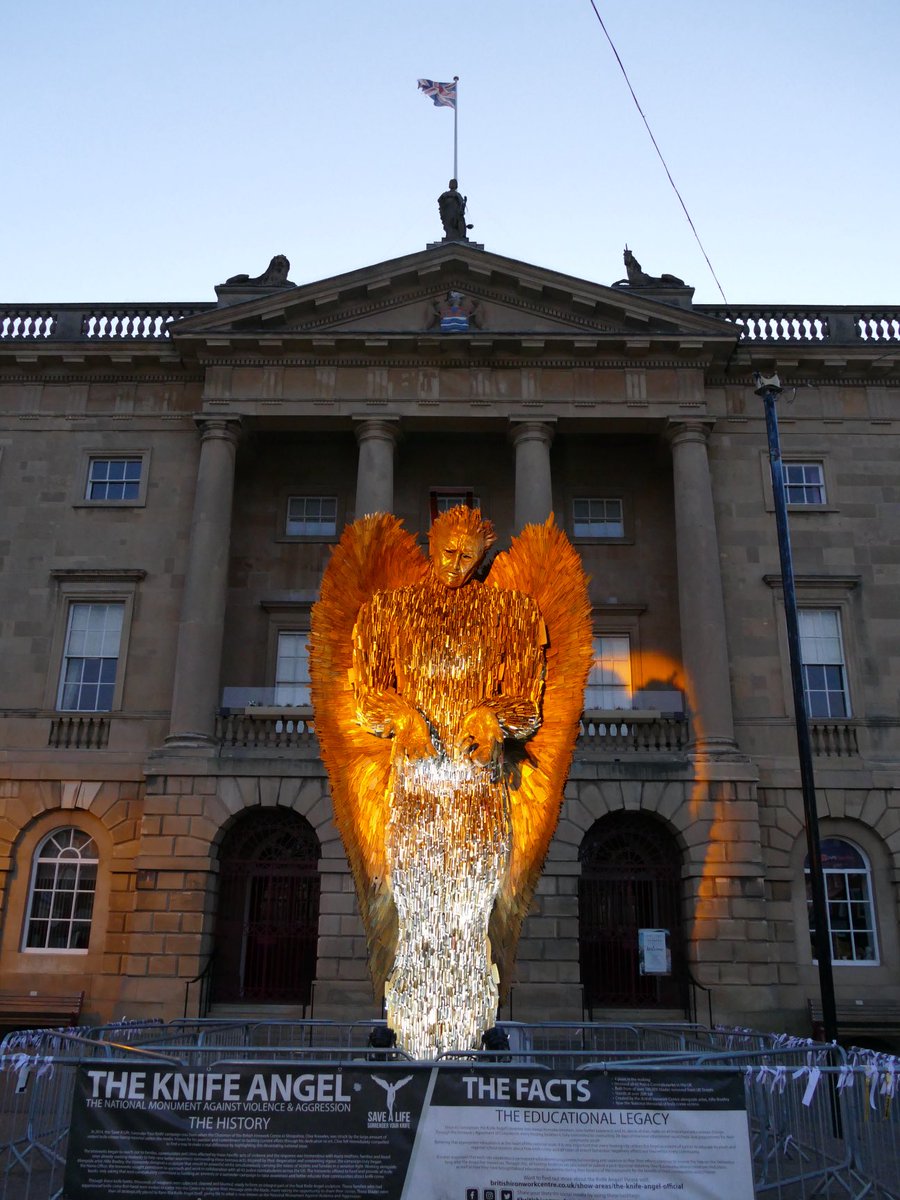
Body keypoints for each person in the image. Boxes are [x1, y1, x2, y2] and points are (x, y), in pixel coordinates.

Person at [350, 507, 546, 1057]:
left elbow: (527, 703)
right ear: (430, 545)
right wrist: (402, 716)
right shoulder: (387, 611)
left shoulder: (511, 614)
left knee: (470, 909)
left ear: (483, 560)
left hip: (478, 787)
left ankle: (471, 1030)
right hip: (415, 786)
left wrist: (493, 716)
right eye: (448, 553)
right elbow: (367, 694)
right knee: (416, 907)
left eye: (469, 558)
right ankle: (411, 1029)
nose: (457, 566)